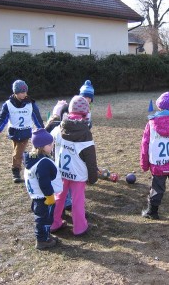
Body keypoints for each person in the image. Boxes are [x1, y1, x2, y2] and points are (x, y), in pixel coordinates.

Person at [51, 95, 98, 236]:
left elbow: (53, 148)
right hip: (78, 174)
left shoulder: (59, 128)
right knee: (78, 200)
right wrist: (93, 177)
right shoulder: (86, 134)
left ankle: (54, 222)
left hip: (61, 171)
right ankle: (79, 227)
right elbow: (90, 159)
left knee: (59, 196)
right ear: (85, 113)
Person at [0, 80, 44, 183]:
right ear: (15, 93)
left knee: (17, 153)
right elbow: (2, 117)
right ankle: (28, 160)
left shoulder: (31, 104)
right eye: (21, 92)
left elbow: (37, 118)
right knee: (17, 152)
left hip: (25, 132)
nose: (24, 94)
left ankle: (15, 171)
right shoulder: (8, 105)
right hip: (13, 132)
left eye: (25, 92)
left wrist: (41, 128)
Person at [24, 128, 63, 250]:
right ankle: (42, 240)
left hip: (36, 195)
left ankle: (46, 236)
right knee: (44, 219)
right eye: (50, 144)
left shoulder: (33, 158)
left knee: (43, 217)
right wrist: (49, 196)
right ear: (42, 146)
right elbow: (44, 182)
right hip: (43, 197)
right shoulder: (43, 163)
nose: (52, 146)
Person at [45, 100, 73, 212]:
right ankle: (62, 205)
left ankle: (67, 202)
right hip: (56, 161)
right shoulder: (54, 127)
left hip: (66, 162)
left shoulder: (70, 130)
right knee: (59, 185)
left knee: (67, 184)